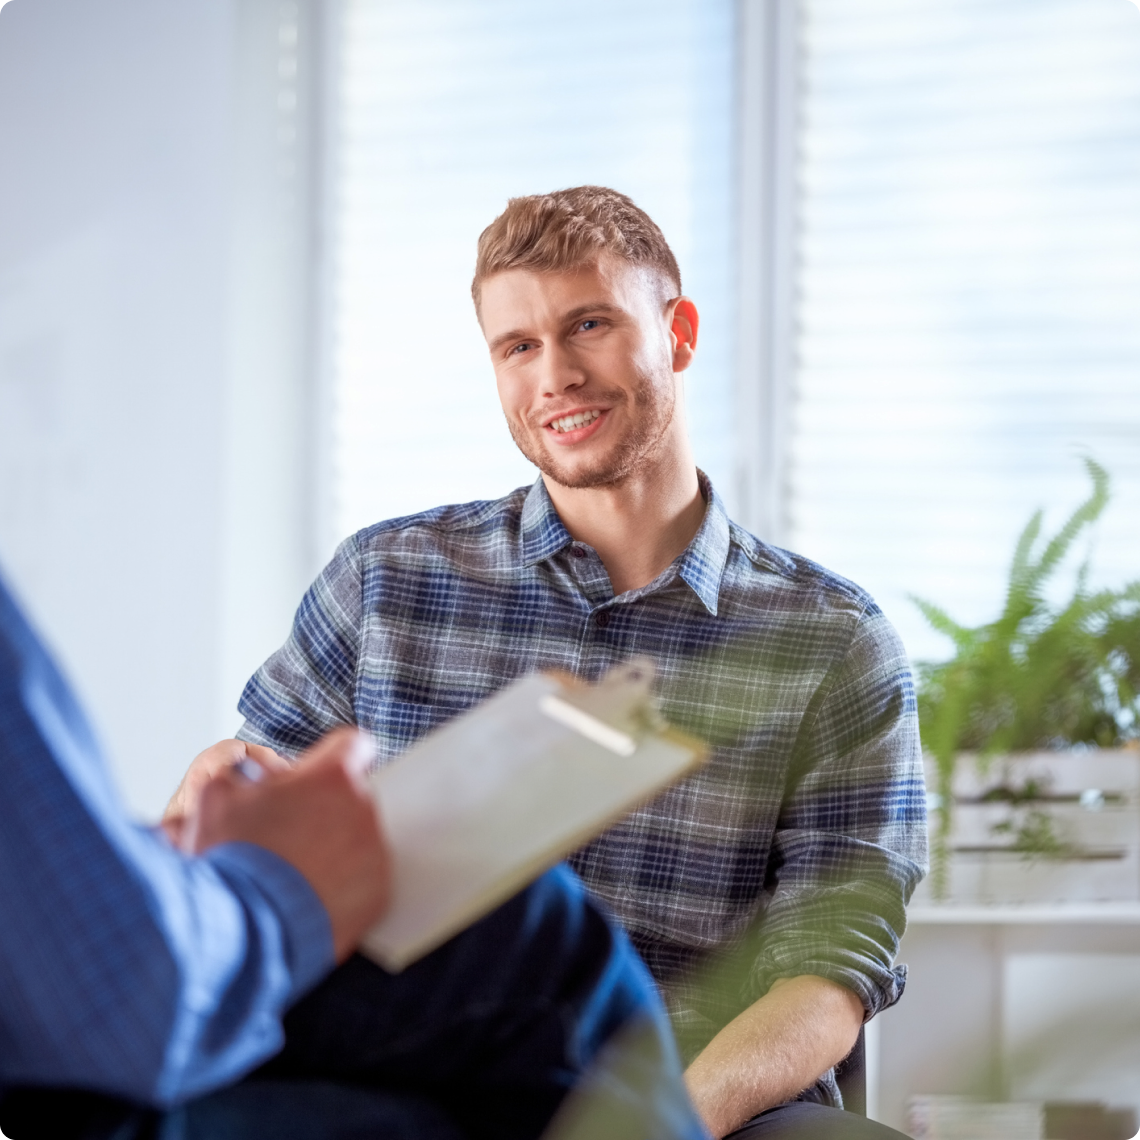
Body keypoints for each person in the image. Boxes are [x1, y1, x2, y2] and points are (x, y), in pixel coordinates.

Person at [193, 186, 926, 1138]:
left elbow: (829, 975)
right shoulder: (385, 582)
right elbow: (249, 849)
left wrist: (660, 1123)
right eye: (518, 346)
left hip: (694, 1097)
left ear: (680, 332)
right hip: (416, 1084)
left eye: (590, 325)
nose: (556, 376)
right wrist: (217, 805)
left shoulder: (832, 641)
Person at [0, 570, 708, 1140]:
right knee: (538, 938)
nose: (555, 382)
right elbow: (127, 1001)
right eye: (512, 374)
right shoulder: (378, 572)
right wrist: (267, 880)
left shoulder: (815, 619)